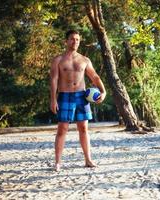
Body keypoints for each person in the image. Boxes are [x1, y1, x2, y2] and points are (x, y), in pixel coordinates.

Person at [50, 30, 106, 171]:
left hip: (81, 96)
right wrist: (53, 99)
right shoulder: (58, 60)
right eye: (72, 39)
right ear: (66, 41)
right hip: (65, 96)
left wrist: (103, 91)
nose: (75, 42)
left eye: (77, 39)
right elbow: (54, 80)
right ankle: (58, 162)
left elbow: (95, 77)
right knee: (62, 129)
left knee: (83, 128)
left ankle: (88, 160)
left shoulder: (85, 60)